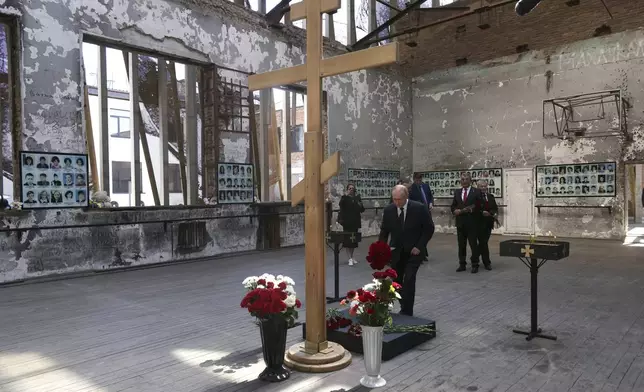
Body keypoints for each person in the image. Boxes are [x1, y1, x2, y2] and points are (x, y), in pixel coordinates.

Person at [379, 185, 434, 316]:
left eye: (400, 199)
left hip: (414, 252)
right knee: (397, 281)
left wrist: (420, 246)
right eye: (394, 199)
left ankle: (407, 312)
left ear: (406, 197)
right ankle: (405, 305)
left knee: (409, 279)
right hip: (396, 252)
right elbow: (384, 232)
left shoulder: (419, 208)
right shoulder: (389, 210)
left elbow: (429, 228)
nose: (397, 202)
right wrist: (381, 249)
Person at [451, 172, 482, 273]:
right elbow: (453, 205)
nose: (464, 181)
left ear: (470, 180)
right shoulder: (457, 192)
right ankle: (462, 264)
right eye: (462, 179)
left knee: (473, 244)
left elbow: (479, 205)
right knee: (461, 245)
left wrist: (470, 210)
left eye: (466, 179)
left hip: (472, 223)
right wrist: (454, 210)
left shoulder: (476, 191)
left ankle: (475, 264)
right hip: (460, 223)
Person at [409, 172, 434, 261]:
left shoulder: (426, 186)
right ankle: (422, 254)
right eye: (417, 180)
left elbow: (430, 196)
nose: (419, 182)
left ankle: (423, 252)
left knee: (427, 232)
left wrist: (431, 203)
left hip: (427, 212)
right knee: (419, 234)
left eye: (420, 180)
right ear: (414, 179)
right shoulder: (411, 188)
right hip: (417, 214)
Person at [338, 183, 365, 266]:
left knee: (353, 241)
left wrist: (360, 204)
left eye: (352, 188)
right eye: (349, 188)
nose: (351, 190)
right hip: (347, 222)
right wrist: (345, 196)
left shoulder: (357, 198)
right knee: (347, 241)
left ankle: (352, 256)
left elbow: (362, 209)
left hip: (355, 222)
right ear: (347, 189)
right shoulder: (344, 198)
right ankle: (349, 258)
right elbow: (341, 205)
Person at [476, 181, 498, 271]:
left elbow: (495, 208)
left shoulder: (490, 196)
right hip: (479, 223)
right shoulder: (475, 197)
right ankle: (487, 263)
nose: (483, 188)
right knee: (483, 242)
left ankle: (475, 257)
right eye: (481, 186)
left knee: (483, 242)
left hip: (489, 223)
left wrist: (492, 213)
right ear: (478, 187)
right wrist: (481, 212)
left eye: (485, 186)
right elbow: (474, 208)